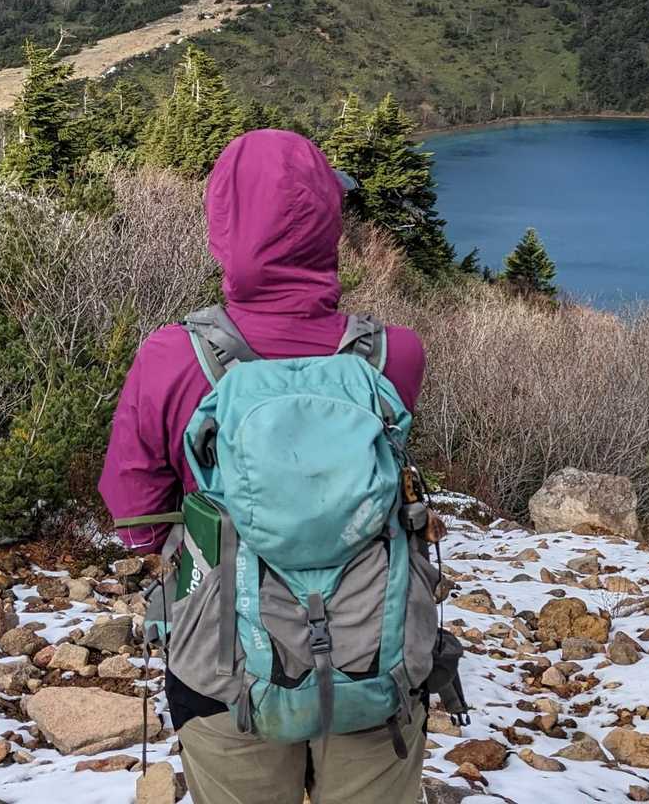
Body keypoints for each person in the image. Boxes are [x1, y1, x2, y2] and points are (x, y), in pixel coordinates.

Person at [99, 128, 428, 804]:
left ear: (224, 225)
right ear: (330, 223)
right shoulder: (393, 353)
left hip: (223, 663)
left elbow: (134, 514)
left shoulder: (173, 356)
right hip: (378, 652)